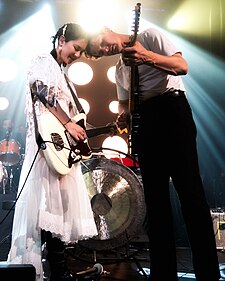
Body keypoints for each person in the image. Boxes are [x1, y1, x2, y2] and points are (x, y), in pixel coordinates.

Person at [85, 26, 221, 281]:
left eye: (101, 42)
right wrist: (123, 118)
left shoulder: (148, 36)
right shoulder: (119, 70)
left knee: (191, 195)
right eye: (100, 52)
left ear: (105, 29)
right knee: (155, 203)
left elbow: (181, 66)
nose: (106, 49)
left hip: (172, 111)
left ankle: (208, 274)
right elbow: (125, 106)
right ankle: (163, 275)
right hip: (146, 123)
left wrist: (145, 56)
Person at [7, 23, 98, 281]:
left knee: (58, 213)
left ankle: (59, 271)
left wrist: (81, 128)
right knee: (45, 210)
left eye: (81, 51)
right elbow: (40, 89)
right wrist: (67, 123)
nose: (77, 55)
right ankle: (51, 271)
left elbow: (72, 117)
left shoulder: (65, 76)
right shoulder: (41, 61)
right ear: (61, 40)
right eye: (76, 48)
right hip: (45, 150)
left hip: (62, 152)